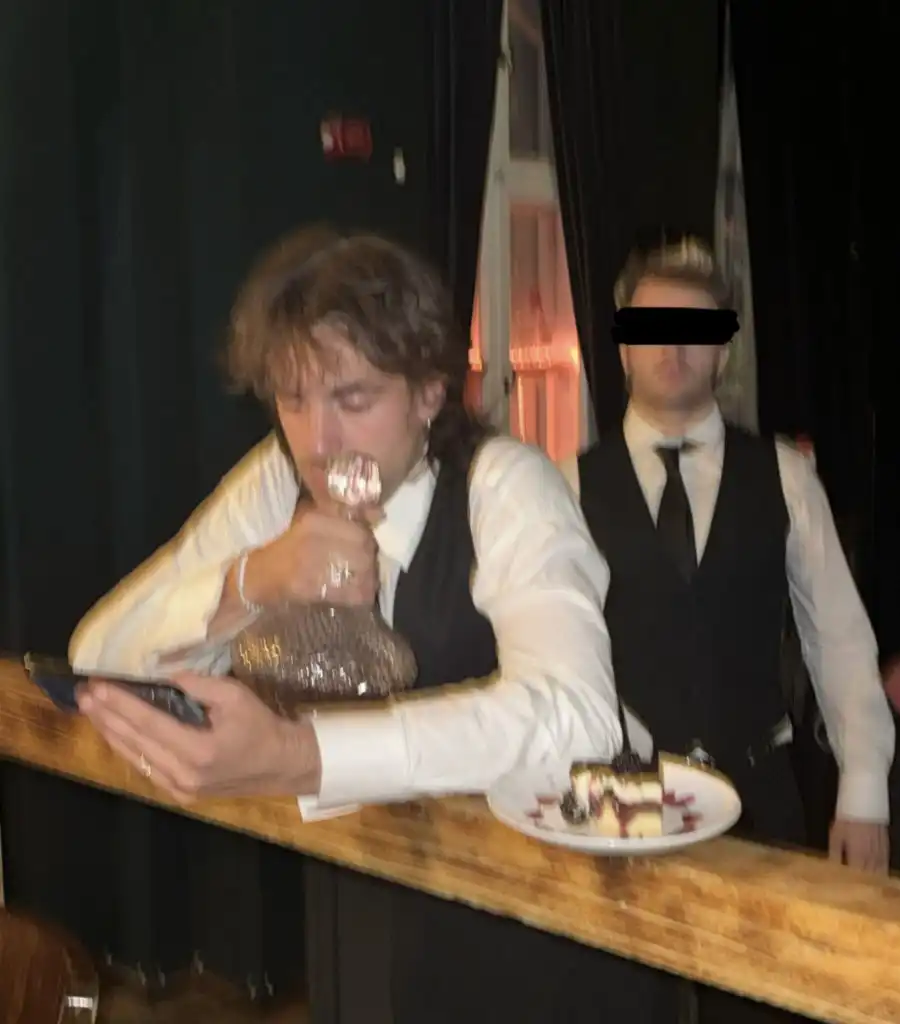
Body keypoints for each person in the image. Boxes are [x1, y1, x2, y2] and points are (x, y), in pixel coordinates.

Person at [70, 225, 680, 1023]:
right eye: (292, 399)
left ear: (429, 392)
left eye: (353, 400)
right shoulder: (277, 481)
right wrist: (254, 578)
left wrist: (300, 755)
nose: (317, 441)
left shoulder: (505, 485)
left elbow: (579, 717)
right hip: (364, 909)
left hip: (541, 926)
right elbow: (99, 651)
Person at [559, 233, 896, 1021]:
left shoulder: (786, 475)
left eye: (695, 330)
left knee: (762, 1005)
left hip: (761, 800)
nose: (672, 347)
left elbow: (840, 641)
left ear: (722, 352)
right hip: (623, 805)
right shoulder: (567, 484)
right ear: (623, 349)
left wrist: (865, 792)